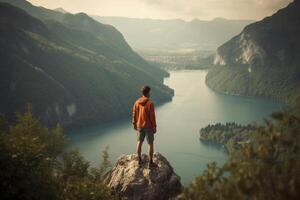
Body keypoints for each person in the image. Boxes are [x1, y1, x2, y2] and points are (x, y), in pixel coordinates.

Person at [132, 86, 157, 168]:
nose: (150, 94)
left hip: (139, 125)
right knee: (150, 144)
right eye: (149, 92)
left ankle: (139, 160)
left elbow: (134, 114)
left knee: (139, 142)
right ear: (148, 93)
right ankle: (150, 162)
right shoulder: (150, 103)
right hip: (148, 126)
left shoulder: (136, 102)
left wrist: (134, 123)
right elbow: (152, 116)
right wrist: (154, 126)